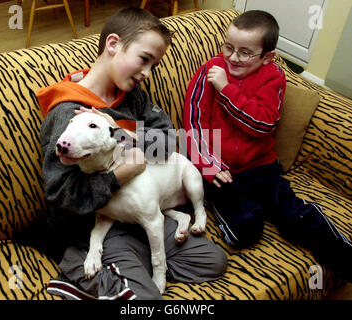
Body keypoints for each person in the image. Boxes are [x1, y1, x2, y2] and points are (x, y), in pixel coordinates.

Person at [26, 7, 227, 300]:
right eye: (144, 59)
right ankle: (75, 270)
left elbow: (170, 144)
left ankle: (135, 264)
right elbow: (63, 196)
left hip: (139, 214)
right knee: (146, 300)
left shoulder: (134, 98)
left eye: (153, 67)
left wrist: (123, 135)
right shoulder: (67, 112)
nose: (146, 73)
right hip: (96, 227)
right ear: (113, 44)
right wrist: (122, 173)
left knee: (213, 262)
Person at [183, 10, 352, 281]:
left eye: (245, 52)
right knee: (244, 232)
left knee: (295, 217)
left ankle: (345, 258)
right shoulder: (209, 71)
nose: (233, 57)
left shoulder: (273, 77)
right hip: (220, 172)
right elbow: (193, 122)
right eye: (229, 47)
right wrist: (209, 166)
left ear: (267, 57)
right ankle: (245, 208)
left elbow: (262, 125)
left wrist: (227, 90)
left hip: (262, 168)